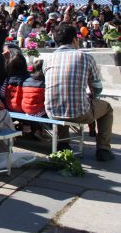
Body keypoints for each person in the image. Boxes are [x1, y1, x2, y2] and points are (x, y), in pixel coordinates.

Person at [44, 23, 114, 161]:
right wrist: (93, 97)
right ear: (75, 40)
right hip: (79, 113)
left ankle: (63, 144)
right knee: (107, 108)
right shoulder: (84, 57)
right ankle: (103, 149)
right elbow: (97, 87)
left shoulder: (47, 59)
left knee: (61, 98)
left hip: (52, 113)